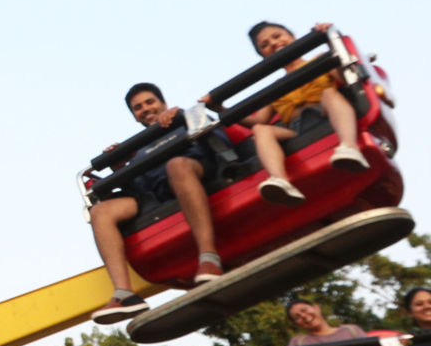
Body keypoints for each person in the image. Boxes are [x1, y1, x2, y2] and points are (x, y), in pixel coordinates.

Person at [89, 83, 222, 324]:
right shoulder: (138, 150)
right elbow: (141, 189)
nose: (145, 109)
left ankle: (209, 258)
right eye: (137, 108)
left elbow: (218, 138)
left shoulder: (186, 115)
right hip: (158, 196)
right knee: (100, 211)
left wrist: (181, 116)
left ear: (162, 102)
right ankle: (125, 294)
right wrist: (122, 168)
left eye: (149, 102)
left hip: (198, 172)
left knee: (176, 166)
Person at [223, 21, 369, 206]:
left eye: (277, 36)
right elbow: (257, 120)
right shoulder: (276, 88)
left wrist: (328, 38)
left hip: (326, 114)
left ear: (293, 37)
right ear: (264, 57)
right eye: (265, 45)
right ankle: (280, 179)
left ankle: (349, 147)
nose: (274, 44)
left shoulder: (320, 60)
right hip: (296, 128)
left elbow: (345, 78)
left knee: (329, 93)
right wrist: (222, 110)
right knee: (261, 129)